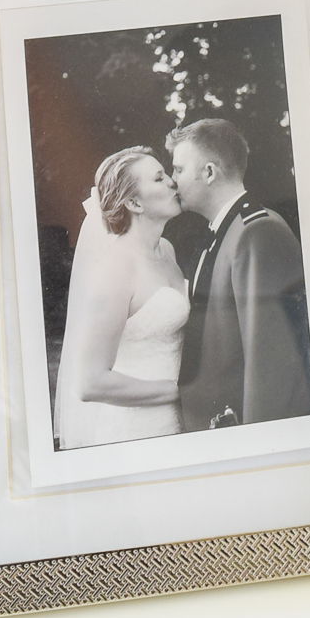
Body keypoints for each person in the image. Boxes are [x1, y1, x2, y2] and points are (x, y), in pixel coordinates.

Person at [169, 119, 310, 432]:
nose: (172, 180)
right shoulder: (230, 230)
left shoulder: (256, 231)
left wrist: (257, 442)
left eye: (178, 170)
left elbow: (272, 362)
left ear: (209, 172)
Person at [52, 146, 190, 448]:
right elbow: (90, 382)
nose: (172, 182)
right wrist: (177, 391)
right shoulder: (115, 268)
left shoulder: (166, 250)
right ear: (133, 202)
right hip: (138, 430)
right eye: (158, 178)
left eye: (167, 174)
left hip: (179, 419)